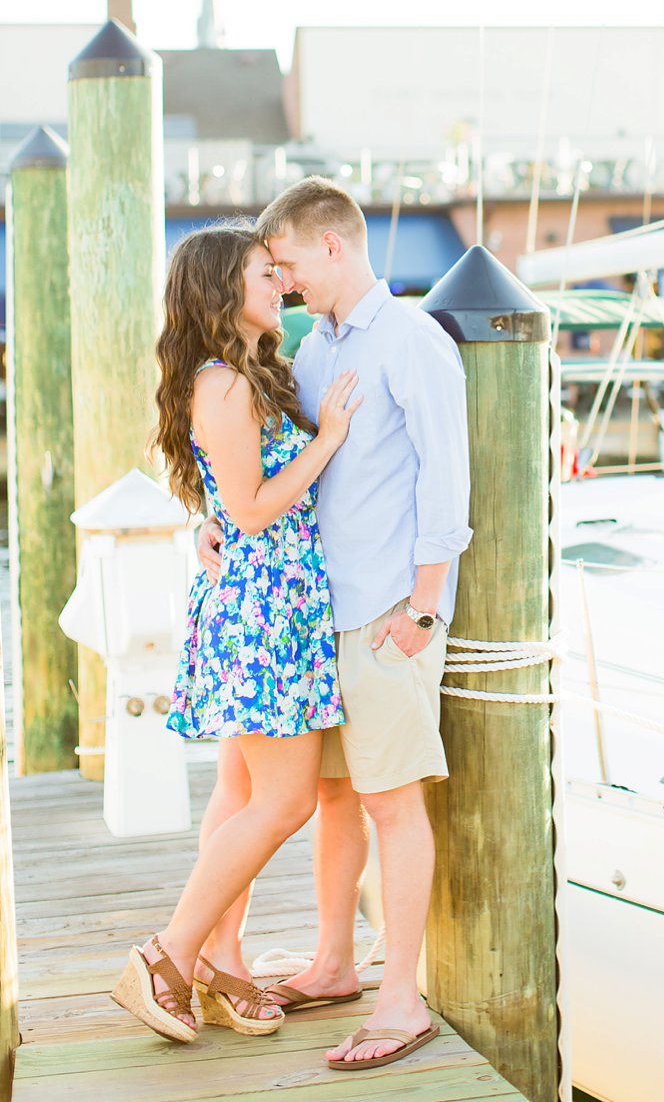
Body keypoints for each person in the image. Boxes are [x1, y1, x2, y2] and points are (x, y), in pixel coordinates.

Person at [196, 177, 472, 1071]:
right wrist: (207, 521)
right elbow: (265, 470)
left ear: (333, 248)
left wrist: (425, 607)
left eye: (288, 265)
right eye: (269, 271)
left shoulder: (413, 341)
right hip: (321, 615)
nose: (284, 282)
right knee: (334, 797)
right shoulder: (312, 349)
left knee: (394, 802)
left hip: (389, 613)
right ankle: (334, 964)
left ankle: (402, 998)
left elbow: (446, 482)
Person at [111, 225, 360, 1042]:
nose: (282, 285)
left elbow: (227, 501)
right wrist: (327, 442)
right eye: (265, 273)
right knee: (284, 799)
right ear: (224, 291)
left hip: (267, 602)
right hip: (264, 612)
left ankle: (221, 961)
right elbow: (252, 507)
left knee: (242, 794)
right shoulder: (224, 383)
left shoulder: (246, 375)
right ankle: (168, 956)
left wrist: (208, 521)